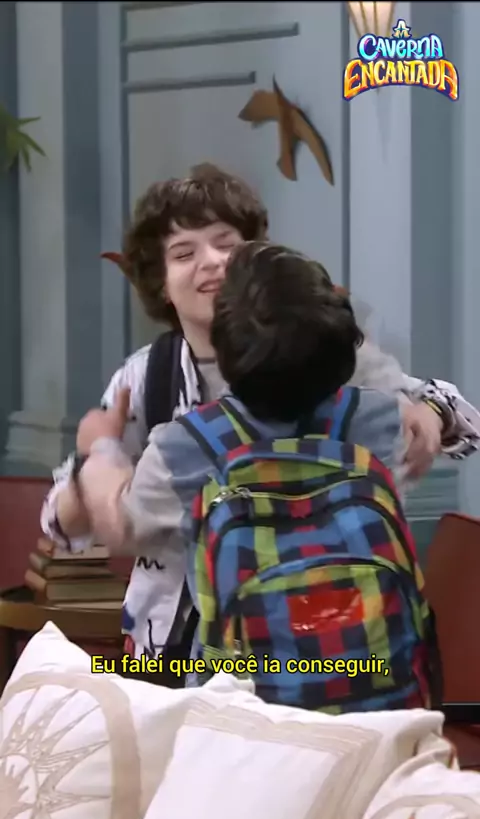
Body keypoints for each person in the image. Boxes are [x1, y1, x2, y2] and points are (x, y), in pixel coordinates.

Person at [41, 168, 480, 683]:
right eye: (184, 253)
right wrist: (91, 473)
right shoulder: (146, 378)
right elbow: (67, 523)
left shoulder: (328, 354)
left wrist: (431, 412)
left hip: (339, 639)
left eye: (226, 244)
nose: (211, 261)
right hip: (179, 651)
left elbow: (461, 422)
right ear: (160, 282)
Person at [66, 242, 437, 712]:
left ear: (225, 349)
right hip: (380, 706)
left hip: (245, 717)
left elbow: (120, 526)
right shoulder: (382, 421)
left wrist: (100, 447)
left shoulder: (186, 447)